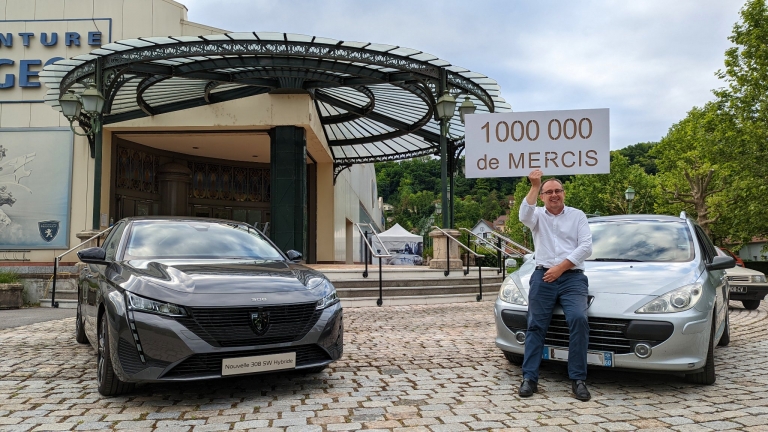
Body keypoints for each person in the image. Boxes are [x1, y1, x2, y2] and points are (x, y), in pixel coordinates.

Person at [517, 169, 593, 401]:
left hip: (572, 277)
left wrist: (560, 268)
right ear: (542, 197)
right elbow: (523, 215)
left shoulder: (577, 215)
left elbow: (586, 247)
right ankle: (529, 378)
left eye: (557, 191)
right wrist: (534, 185)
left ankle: (578, 379)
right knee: (535, 325)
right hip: (543, 276)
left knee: (578, 319)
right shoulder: (537, 216)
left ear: (564, 193)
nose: (553, 195)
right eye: (548, 192)